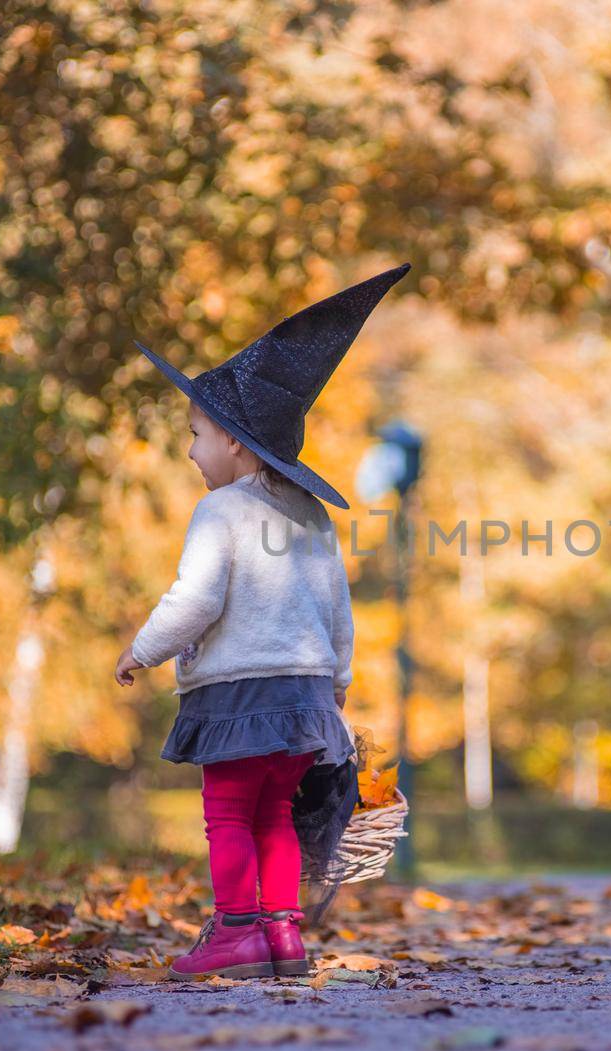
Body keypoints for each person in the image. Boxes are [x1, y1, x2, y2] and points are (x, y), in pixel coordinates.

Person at [116, 263, 410, 980]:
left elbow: (195, 599)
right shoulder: (309, 516)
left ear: (238, 444)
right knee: (277, 814)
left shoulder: (220, 511)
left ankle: (236, 931)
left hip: (241, 696)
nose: (191, 450)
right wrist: (337, 682)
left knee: (227, 813)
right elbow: (338, 606)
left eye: (196, 435)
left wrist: (142, 649)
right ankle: (283, 934)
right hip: (306, 700)